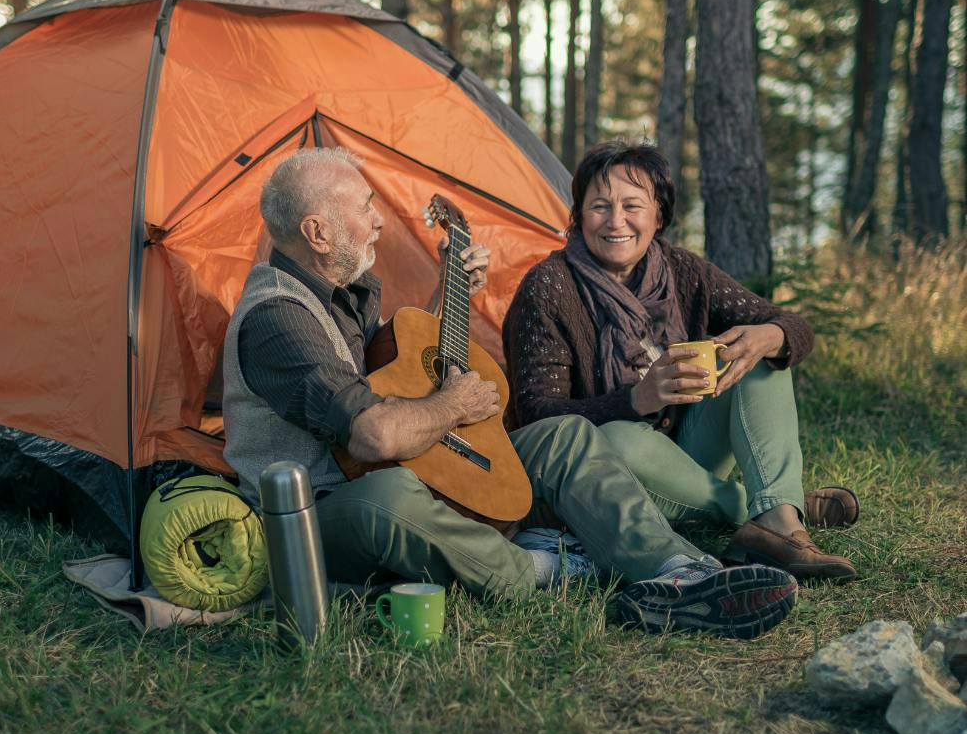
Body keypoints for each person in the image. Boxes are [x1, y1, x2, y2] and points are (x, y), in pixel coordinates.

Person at [223, 146, 800, 637]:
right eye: (365, 209)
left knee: (564, 436)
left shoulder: (343, 292)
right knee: (393, 499)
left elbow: (391, 374)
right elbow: (372, 434)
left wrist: (447, 295)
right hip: (323, 506)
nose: (378, 223)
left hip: (401, 462)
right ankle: (545, 570)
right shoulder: (280, 318)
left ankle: (680, 570)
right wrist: (454, 404)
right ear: (316, 232)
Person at [502, 139, 859, 583]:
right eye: (599, 206)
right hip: (604, 481)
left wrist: (773, 334)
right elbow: (539, 417)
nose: (616, 221)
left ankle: (779, 522)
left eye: (633, 205)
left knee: (761, 359)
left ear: (659, 215)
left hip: (685, 459)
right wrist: (636, 399)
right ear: (578, 215)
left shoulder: (684, 272)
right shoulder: (548, 288)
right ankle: (767, 508)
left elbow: (791, 326)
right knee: (618, 438)